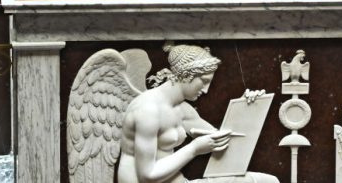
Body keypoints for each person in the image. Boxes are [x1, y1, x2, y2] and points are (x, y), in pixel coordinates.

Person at [118, 43, 278, 183]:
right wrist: (194, 149)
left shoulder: (181, 109)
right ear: (187, 74)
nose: (206, 90)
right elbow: (147, 175)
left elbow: (223, 139)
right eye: (204, 81)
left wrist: (246, 107)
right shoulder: (148, 110)